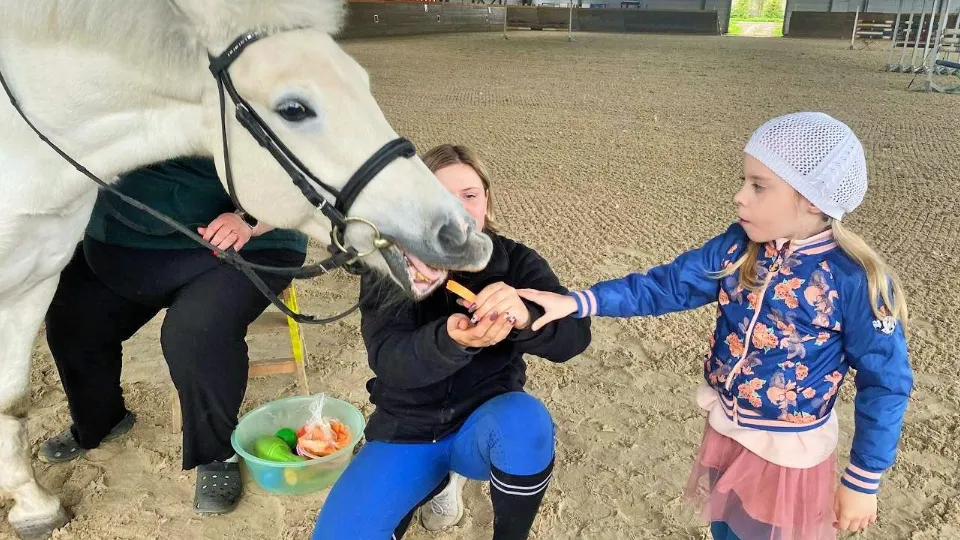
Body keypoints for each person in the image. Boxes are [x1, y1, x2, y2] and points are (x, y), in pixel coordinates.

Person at [517, 112, 913, 540]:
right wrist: (579, 300)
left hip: (787, 458)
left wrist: (863, 479)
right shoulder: (737, 247)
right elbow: (667, 286)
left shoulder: (855, 279)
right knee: (725, 529)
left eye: (758, 186)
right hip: (728, 430)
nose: (739, 197)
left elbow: (886, 382)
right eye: (745, 181)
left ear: (813, 199)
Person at [312, 144, 592, 540]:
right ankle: (436, 484)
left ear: (487, 202)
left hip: (484, 425)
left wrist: (526, 317)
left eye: (470, 195)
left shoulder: (517, 262)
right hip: (406, 428)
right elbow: (389, 359)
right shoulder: (390, 264)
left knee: (526, 423)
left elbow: (575, 338)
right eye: (441, 197)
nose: (458, 209)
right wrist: (450, 341)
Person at [39, 157, 308, 515]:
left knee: (195, 333)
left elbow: (309, 170)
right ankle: (99, 420)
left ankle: (216, 452)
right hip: (122, 242)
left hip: (239, 242)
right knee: (71, 316)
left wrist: (251, 220)